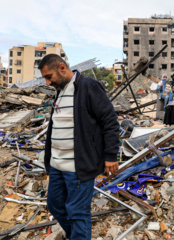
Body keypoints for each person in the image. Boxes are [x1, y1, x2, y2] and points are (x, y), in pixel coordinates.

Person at [39, 54, 120, 239]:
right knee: (55, 205)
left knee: (77, 213)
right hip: (57, 166)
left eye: (48, 76)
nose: (47, 82)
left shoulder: (88, 86)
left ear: (61, 68)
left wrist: (110, 155)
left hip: (78, 167)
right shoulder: (60, 90)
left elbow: (110, 122)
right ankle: (77, 235)